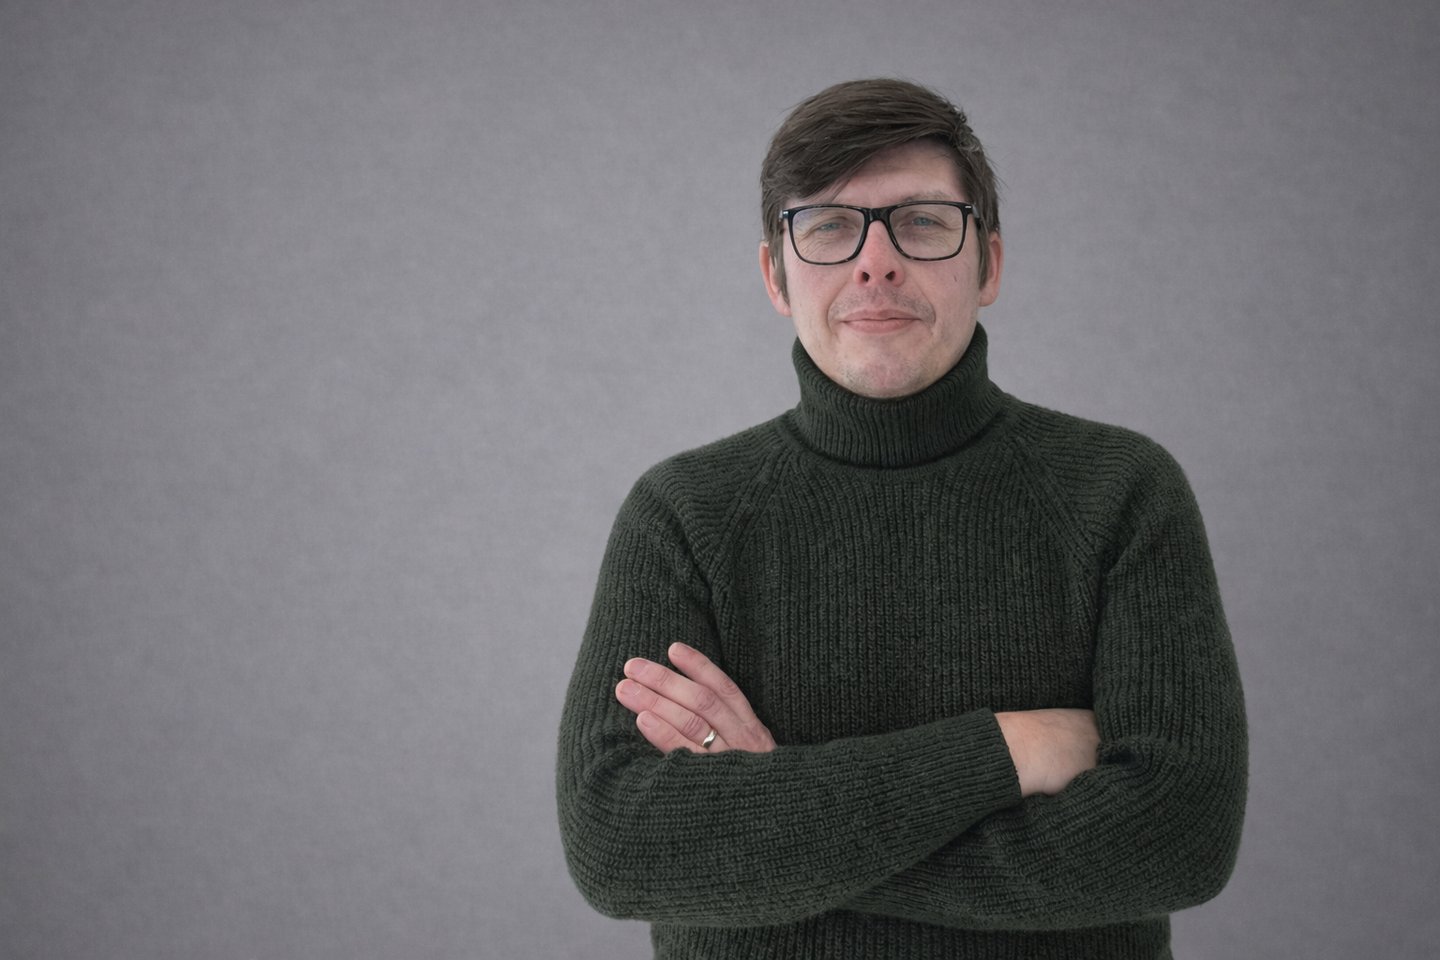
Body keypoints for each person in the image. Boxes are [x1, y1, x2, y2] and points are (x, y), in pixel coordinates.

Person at [556, 77, 1247, 959]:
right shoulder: (684, 514)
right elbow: (618, 845)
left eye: (921, 222)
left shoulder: (1121, 492)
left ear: (989, 263)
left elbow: (1180, 840)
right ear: (776, 274)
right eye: (829, 227)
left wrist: (774, 824)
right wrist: (1002, 751)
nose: (874, 263)